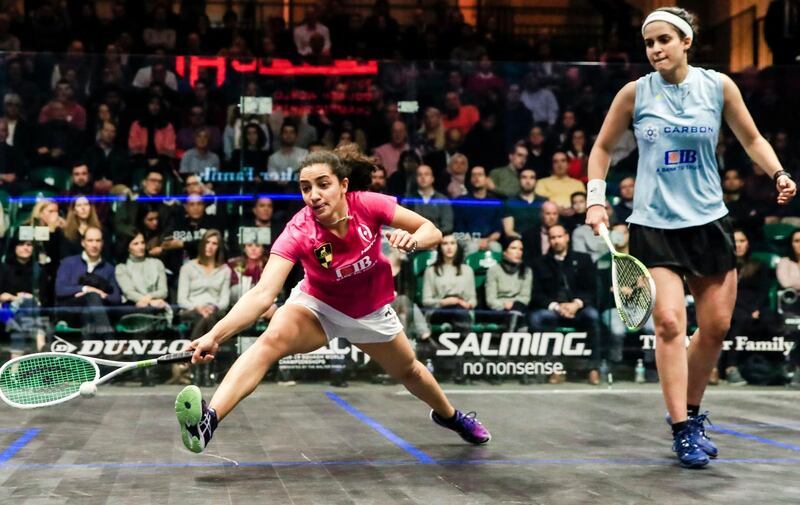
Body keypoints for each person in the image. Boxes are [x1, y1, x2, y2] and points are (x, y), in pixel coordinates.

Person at [584, 6, 797, 468]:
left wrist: (778, 172)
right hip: (654, 225)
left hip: (708, 222)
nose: (656, 49)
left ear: (686, 41)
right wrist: (595, 198)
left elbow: (752, 138)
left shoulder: (718, 87)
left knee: (716, 328)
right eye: (649, 42)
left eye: (664, 40)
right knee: (668, 323)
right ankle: (681, 428)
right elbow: (602, 149)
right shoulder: (633, 94)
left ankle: (694, 413)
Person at [175, 146, 490, 453]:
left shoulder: (368, 204)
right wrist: (215, 335)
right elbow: (262, 294)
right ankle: (208, 421)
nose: (314, 195)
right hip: (317, 307)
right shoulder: (298, 230)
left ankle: (451, 417)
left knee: (409, 370)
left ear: (343, 185)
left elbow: (431, 231)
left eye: (323, 185)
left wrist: (413, 239)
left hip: (370, 313)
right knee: (269, 342)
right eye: (305, 188)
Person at [485, 236, 532, 331]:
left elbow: (525, 297)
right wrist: (504, 305)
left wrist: (514, 305)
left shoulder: (526, 271)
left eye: (520, 249)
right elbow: (490, 299)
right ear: (505, 252)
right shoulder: (493, 270)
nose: (518, 252)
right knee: (518, 318)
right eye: (513, 248)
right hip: (499, 310)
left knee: (519, 314)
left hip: (519, 308)